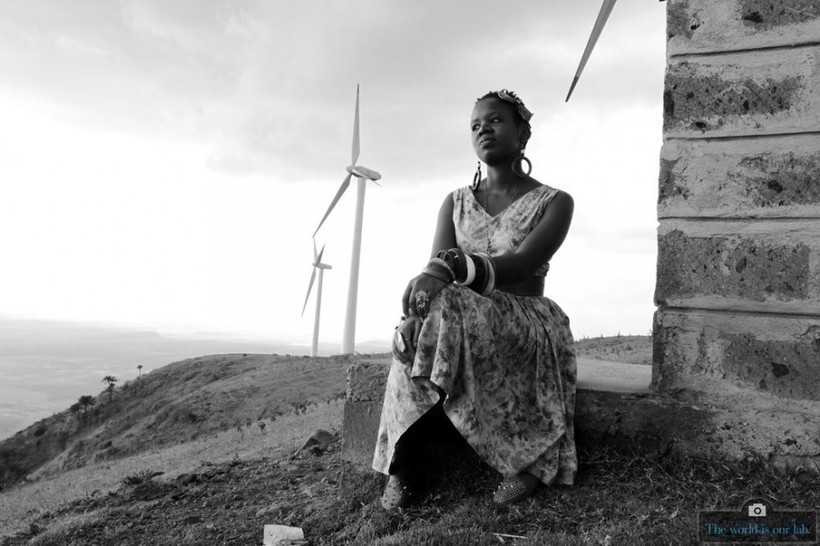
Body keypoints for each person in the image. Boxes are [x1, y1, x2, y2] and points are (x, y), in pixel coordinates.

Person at [372, 89, 577, 509]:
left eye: (496, 120)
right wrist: (414, 315)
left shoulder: (555, 201)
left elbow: (523, 263)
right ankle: (404, 466)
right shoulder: (455, 202)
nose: (484, 129)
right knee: (413, 329)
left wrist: (453, 268)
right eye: (475, 125)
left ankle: (527, 461)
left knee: (448, 301)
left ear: (523, 133)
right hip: (459, 317)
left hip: (523, 318)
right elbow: (435, 273)